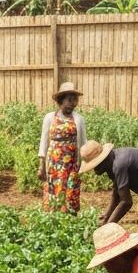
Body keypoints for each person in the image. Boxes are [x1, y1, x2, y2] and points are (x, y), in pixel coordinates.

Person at [38, 82, 87, 214]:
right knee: (54, 194)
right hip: (54, 165)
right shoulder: (49, 118)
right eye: (69, 100)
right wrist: (41, 166)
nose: (73, 103)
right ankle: (53, 223)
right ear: (61, 100)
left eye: (75, 100)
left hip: (72, 165)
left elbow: (83, 144)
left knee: (71, 194)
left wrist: (84, 165)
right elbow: (44, 142)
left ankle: (71, 224)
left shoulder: (79, 119)